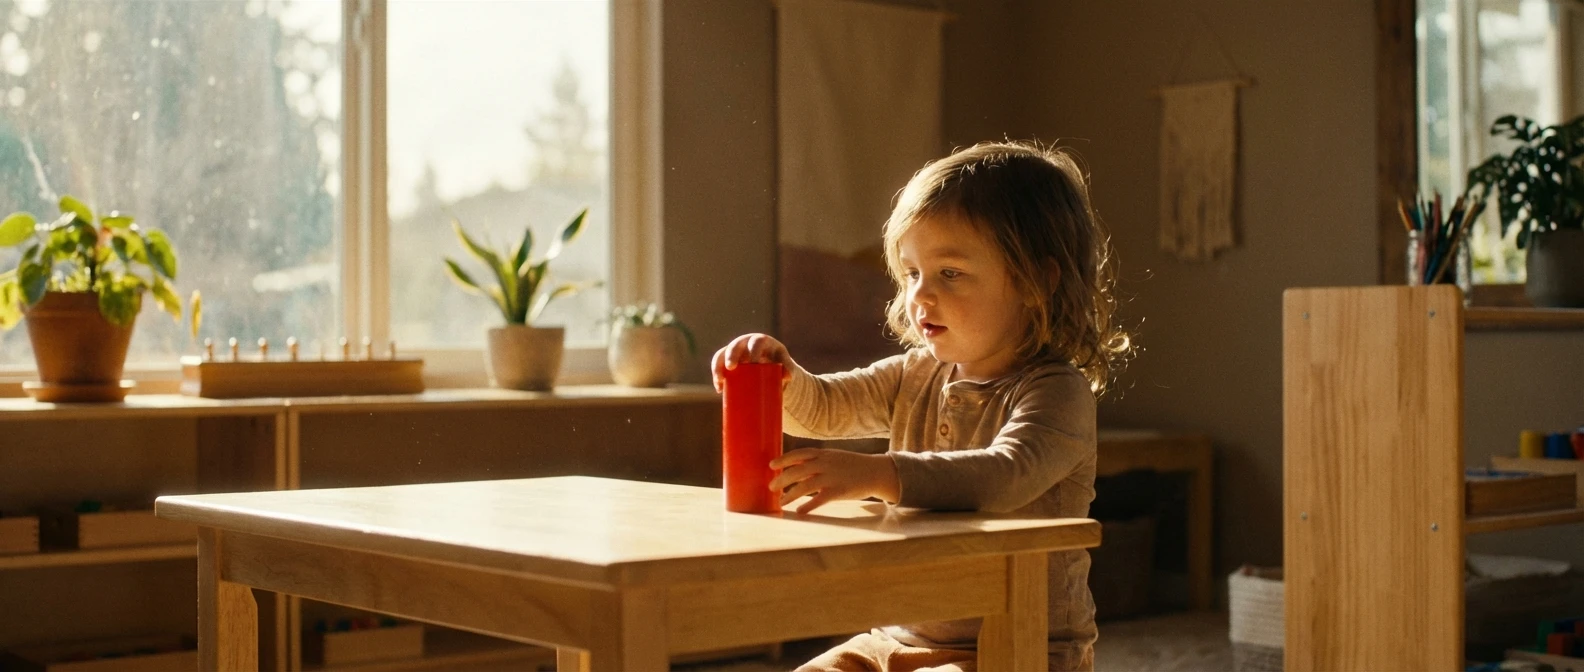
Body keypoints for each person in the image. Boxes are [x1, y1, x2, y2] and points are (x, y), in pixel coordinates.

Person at [710, 141, 1132, 672]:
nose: (920, 294)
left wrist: (878, 473)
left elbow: (1004, 477)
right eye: (912, 274)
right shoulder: (915, 373)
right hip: (894, 637)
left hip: (1018, 648)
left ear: (1036, 284)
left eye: (950, 273)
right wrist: (782, 377)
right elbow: (823, 408)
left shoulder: (1055, 391)